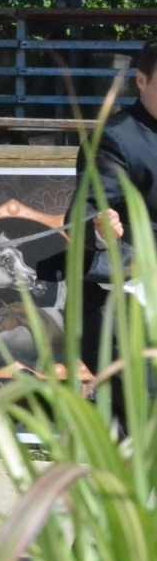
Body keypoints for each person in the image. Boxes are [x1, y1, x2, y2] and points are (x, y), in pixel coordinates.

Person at [76, 40, 157, 434]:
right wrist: (100, 224)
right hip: (127, 306)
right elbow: (87, 209)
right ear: (141, 81)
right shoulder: (114, 138)